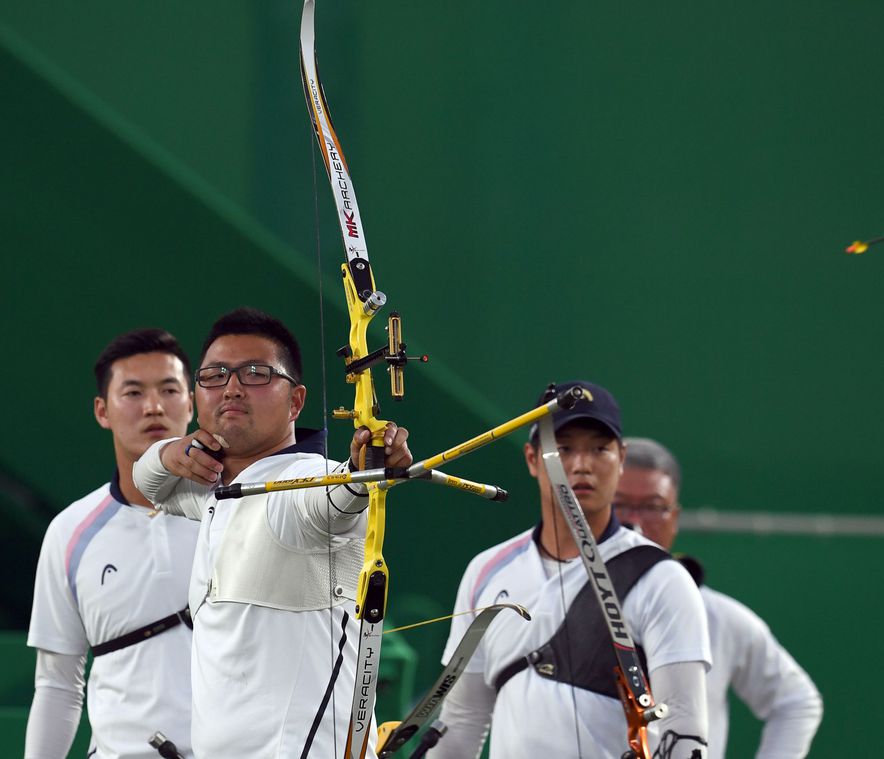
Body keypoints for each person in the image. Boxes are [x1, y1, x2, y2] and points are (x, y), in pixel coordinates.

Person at [132, 307, 412, 758]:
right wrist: (171, 452)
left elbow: (334, 497)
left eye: (257, 373)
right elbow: (147, 480)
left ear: (296, 402)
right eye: (215, 375)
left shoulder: (304, 483)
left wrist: (365, 469)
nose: (233, 387)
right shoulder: (212, 494)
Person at [432, 381, 711, 758]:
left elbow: (684, 729)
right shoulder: (488, 571)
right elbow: (463, 720)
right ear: (533, 459)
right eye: (562, 449)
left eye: (600, 449)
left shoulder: (661, 578)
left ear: (621, 458)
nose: (582, 465)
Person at [26, 329, 199, 758]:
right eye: (134, 392)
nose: (154, 406)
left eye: (170, 389)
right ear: (102, 411)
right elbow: (57, 684)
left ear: (192, 404)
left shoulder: (235, 512)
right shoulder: (69, 532)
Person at [615, 437, 823, 759]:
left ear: (675, 516)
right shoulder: (553, 600)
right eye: (619, 505)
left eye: (653, 507)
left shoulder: (718, 616)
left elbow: (795, 701)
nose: (635, 523)